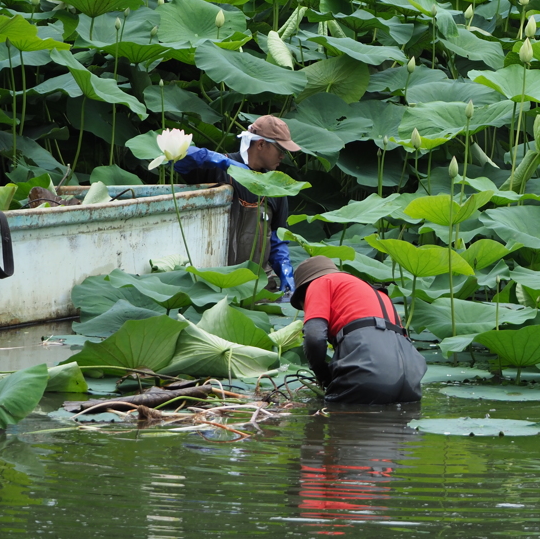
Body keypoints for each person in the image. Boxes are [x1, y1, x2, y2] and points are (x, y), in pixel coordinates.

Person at [174, 115, 301, 296]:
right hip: (219, 281)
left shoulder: (277, 185)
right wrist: (220, 161)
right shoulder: (218, 169)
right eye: (279, 148)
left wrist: (285, 270)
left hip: (260, 284)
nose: (283, 155)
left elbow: (277, 238)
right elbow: (177, 159)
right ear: (261, 144)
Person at [291, 256, 426, 404]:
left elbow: (314, 337)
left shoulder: (320, 282)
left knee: (338, 417)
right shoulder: (376, 292)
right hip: (411, 380)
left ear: (304, 292)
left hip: (369, 372)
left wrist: (323, 377)